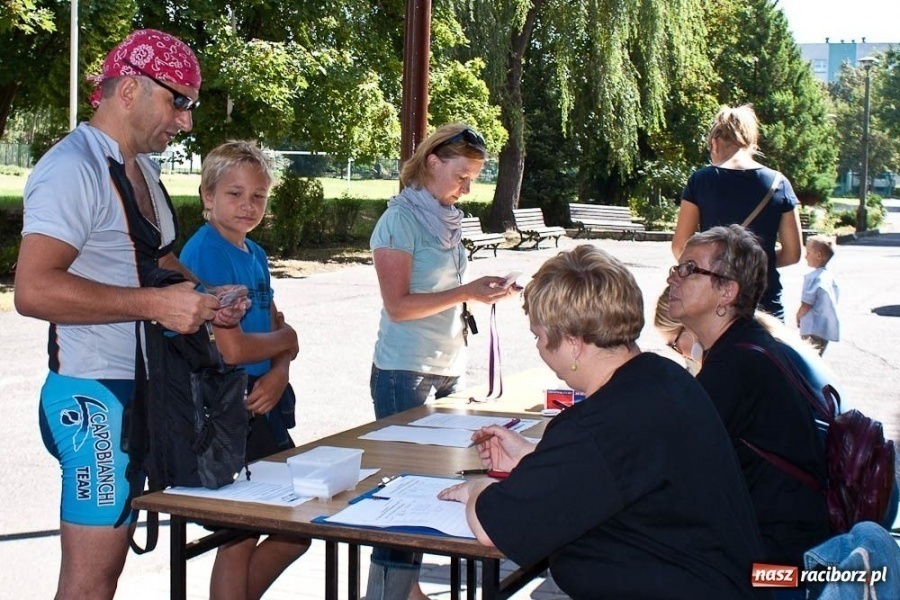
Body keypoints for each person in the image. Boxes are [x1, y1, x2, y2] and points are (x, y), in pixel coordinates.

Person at [14, 29, 247, 599]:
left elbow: (155, 256)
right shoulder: (73, 167)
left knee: (109, 572)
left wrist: (207, 294)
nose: (186, 121)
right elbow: (32, 289)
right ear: (131, 90)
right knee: (91, 580)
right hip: (93, 394)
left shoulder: (139, 168)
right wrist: (156, 304)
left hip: (144, 385)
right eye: (179, 101)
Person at [437, 245, 768, 598]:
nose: (538, 347)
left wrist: (476, 490)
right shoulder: (662, 377)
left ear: (574, 343)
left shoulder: (601, 422)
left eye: (539, 335)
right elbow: (618, 471)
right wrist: (535, 458)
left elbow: (495, 527)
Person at [366, 123, 519, 600]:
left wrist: (481, 290)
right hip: (403, 371)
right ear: (432, 162)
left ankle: (405, 592)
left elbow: (442, 294)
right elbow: (399, 305)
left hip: (445, 365)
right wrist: (468, 291)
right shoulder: (400, 220)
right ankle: (388, 594)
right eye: (462, 176)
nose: (467, 188)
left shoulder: (441, 216)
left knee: (445, 486)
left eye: (474, 178)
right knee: (405, 495)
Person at [179, 141, 310, 599]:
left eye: (258, 196)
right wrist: (289, 343)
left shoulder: (252, 252)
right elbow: (231, 349)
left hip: (261, 394)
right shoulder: (208, 252)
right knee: (241, 532)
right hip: (225, 401)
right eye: (234, 194)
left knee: (294, 526)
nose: (247, 205)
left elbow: (275, 323)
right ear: (207, 197)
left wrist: (281, 368)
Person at [667, 225, 831, 577]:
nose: (674, 278)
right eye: (677, 267)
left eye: (690, 269)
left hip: (779, 570)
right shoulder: (748, 346)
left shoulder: (736, 365)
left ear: (727, 291)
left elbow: (668, 461)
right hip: (791, 546)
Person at [672, 104, 802, 320]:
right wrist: (751, 262)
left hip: (715, 296)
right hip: (764, 298)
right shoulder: (779, 183)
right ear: (751, 144)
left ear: (714, 142)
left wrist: (716, 265)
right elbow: (793, 253)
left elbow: (680, 246)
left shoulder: (701, 180)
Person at [796, 235, 840, 356]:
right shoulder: (830, 278)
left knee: (808, 357)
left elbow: (807, 304)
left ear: (818, 256)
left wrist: (798, 315)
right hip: (825, 327)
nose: (805, 256)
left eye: (808, 253)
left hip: (812, 326)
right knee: (818, 356)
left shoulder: (813, 278)